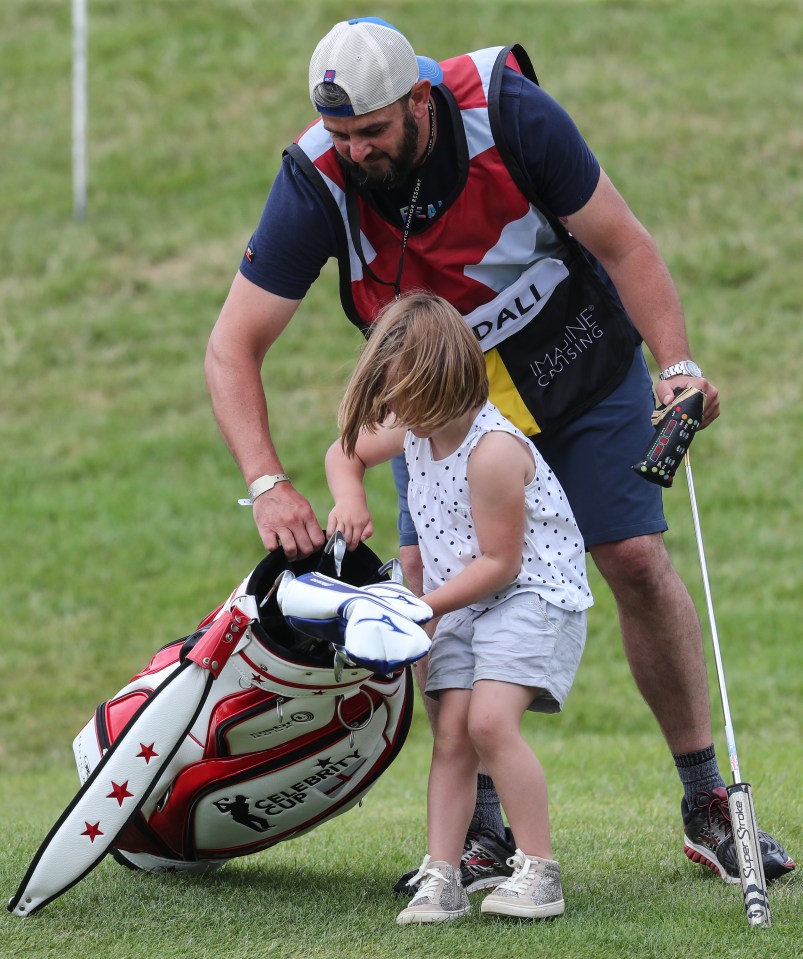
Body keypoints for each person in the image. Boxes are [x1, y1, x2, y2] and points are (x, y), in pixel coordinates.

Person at [204, 17, 794, 890]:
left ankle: (707, 801)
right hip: (438, 402)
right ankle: (478, 834)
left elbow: (623, 242)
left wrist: (675, 368)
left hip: (577, 363)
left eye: (372, 131)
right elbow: (231, 346)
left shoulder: (507, 110)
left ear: (418, 100)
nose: (356, 151)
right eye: (341, 135)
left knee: (633, 556)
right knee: (434, 598)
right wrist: (266, 482)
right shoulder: (316, 178)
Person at [326, 292, 591, 923]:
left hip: (531, 594)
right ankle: (441, 874)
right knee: (450, 735)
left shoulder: (491, 451)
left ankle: (539, 872)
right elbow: (345, 449)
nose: (390, 412)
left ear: (437, 381)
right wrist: (350, 498)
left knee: (490, 724)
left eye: (399, 396)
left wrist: (420, 608)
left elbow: (502, 562)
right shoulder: (419, 426)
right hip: (460, 603)